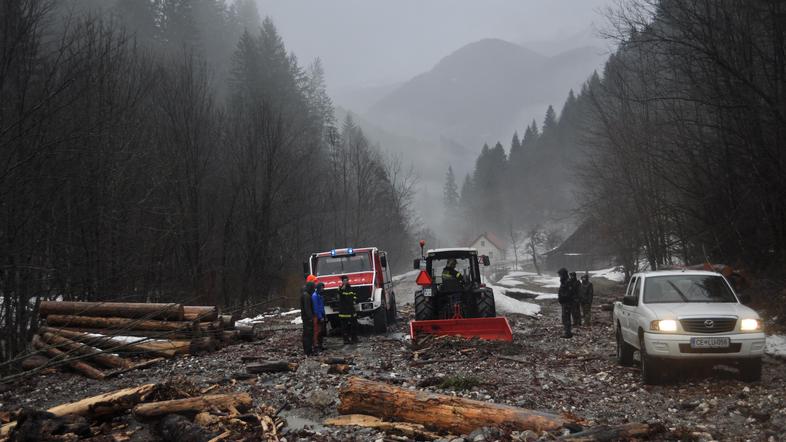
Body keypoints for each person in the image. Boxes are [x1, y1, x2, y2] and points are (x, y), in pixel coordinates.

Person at [337, 275, 359, 344]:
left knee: (354, 325)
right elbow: (339, 294)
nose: (346, 282)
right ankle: (346, 340)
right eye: (344, 281)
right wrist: (342, 289)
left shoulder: (350, 288)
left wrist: (354, 300)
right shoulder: (340, 289)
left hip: (351, 309)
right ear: (342, 281)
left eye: (346, 280)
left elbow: (354, 295)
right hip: (344, 311)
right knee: (344, 327)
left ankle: (354, 339)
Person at [300, 275, 317, 355]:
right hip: (307, 318)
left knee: (308, 334)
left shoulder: (306, 294)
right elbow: (307, 308)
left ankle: (309, 350)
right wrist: (310, 318)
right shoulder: (306, 295)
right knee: (308, 334)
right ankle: (308, 351)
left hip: (306, 318)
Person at [557, 268, 573, 338]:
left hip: (567, 302)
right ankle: (567, 332)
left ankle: (568, 333)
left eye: (560, 275)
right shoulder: (564, 281)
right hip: (564, 302)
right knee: (565, 317)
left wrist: (563, 298)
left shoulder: (567, 282)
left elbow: (568, 293)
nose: (559, 276)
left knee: (566, 318)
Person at [311, 282, 326, 352]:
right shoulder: (315, 296)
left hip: (321, 314)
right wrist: (320, 317)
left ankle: (320, 345)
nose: (323, 289)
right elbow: (316, 308)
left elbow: (321, 306)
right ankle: (316, 346)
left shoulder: (320, 295)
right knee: (318, 331)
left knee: (321, 331)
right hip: (318, 316)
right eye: (322, 288)